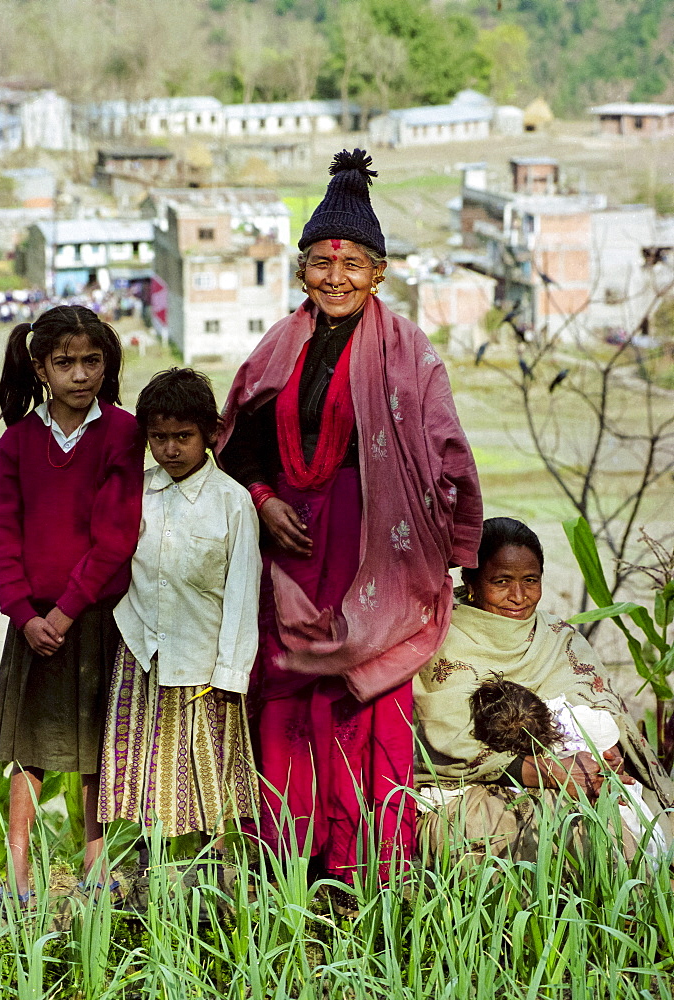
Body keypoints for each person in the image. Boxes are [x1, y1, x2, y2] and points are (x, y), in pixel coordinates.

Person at [218, 148, 482, 913]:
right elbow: (238, 442)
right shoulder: (277, 347)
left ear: (379, 273)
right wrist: (264, 500)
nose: (335, 278)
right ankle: (289, 867)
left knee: (368, 702)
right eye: (319, 264)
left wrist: (459, 551)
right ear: (300, 271)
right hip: (295, 553)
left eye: (351, 264)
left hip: (380, 559)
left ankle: (370, 872)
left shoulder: (410, 356)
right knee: (289, 697)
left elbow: (448, 454)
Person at [0, 305, 144, 906]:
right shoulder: (19, 442)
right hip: (33, 622)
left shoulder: (122, 433)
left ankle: (94, 857)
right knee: (27, 747)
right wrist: (24, 614)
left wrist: (64, 611)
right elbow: (3, 534)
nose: (80, 374)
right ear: (40, 367)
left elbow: (116, 536)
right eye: (65, 363)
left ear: (106, 365)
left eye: (92, 361)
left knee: (94, 746)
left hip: (93, 619)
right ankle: (18, 866)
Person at [414, 516, 674, 864]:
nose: (518, 596)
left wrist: (605, 760)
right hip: (474, 794)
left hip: (581, 777)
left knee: (625, 823)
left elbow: (601, 712)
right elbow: (447, 740)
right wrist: (548, 771)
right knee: (562, 837)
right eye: (501, 581)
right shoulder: (440, 638)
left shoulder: (559, 638)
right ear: (471, 579)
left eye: (530, 581)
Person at [98, 369, 260, 873]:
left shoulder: (232, 501)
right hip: (141, 647)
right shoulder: (136, 492)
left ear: (210, 433)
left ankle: (215, 863)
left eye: (183, 437)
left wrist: (230, 673)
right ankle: (150, 862)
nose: (170, 449)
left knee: (205, 762)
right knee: (145, 762)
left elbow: (242, 591)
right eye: (158, 438)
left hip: (203, 657)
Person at [470, 677, 666, 857]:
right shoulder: (575, 717)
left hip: (603, 802)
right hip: (608, 805)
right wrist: (609, 755)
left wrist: (608, 760)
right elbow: (607, 732)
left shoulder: (563, 729)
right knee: (635, 841)